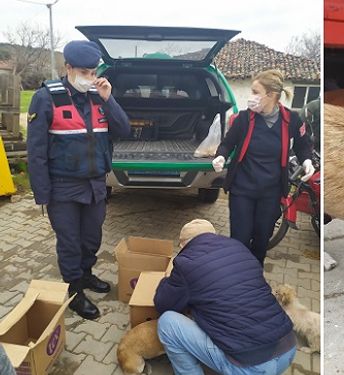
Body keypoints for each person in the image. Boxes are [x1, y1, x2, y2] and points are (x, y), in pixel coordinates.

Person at [26, 40, 131, 319]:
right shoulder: (45, 98)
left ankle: (85, 276)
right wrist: (42, 195)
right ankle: (74, 291)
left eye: (93, 71)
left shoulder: (99, 95)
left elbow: (124, 129)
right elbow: (36, 152)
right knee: (70, 242)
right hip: (63, 187)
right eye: (83, 71)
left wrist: (109, 98)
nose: (89, 77)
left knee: (91, 239)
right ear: (68, 67)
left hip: (95, 184)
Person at [154, 219, 297, 375]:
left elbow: (162, 304)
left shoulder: (185, 263)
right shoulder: (238, 247)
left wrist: (167, 279)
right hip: (287, 349)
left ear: (183, 245)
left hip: (251, 366)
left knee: (167, 323)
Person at [212, 70, 314, 265]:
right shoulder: (244, 119)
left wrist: (307, 161)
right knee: (239, 240)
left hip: (271, 192)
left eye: (255, 92)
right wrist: (220, 156)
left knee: (261, 240)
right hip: (242, 189)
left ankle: (255, 277)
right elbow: (227, 143)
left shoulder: (291, 120)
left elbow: (303, 145)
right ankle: (236, 278)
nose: (252, 97)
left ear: (271, 95)